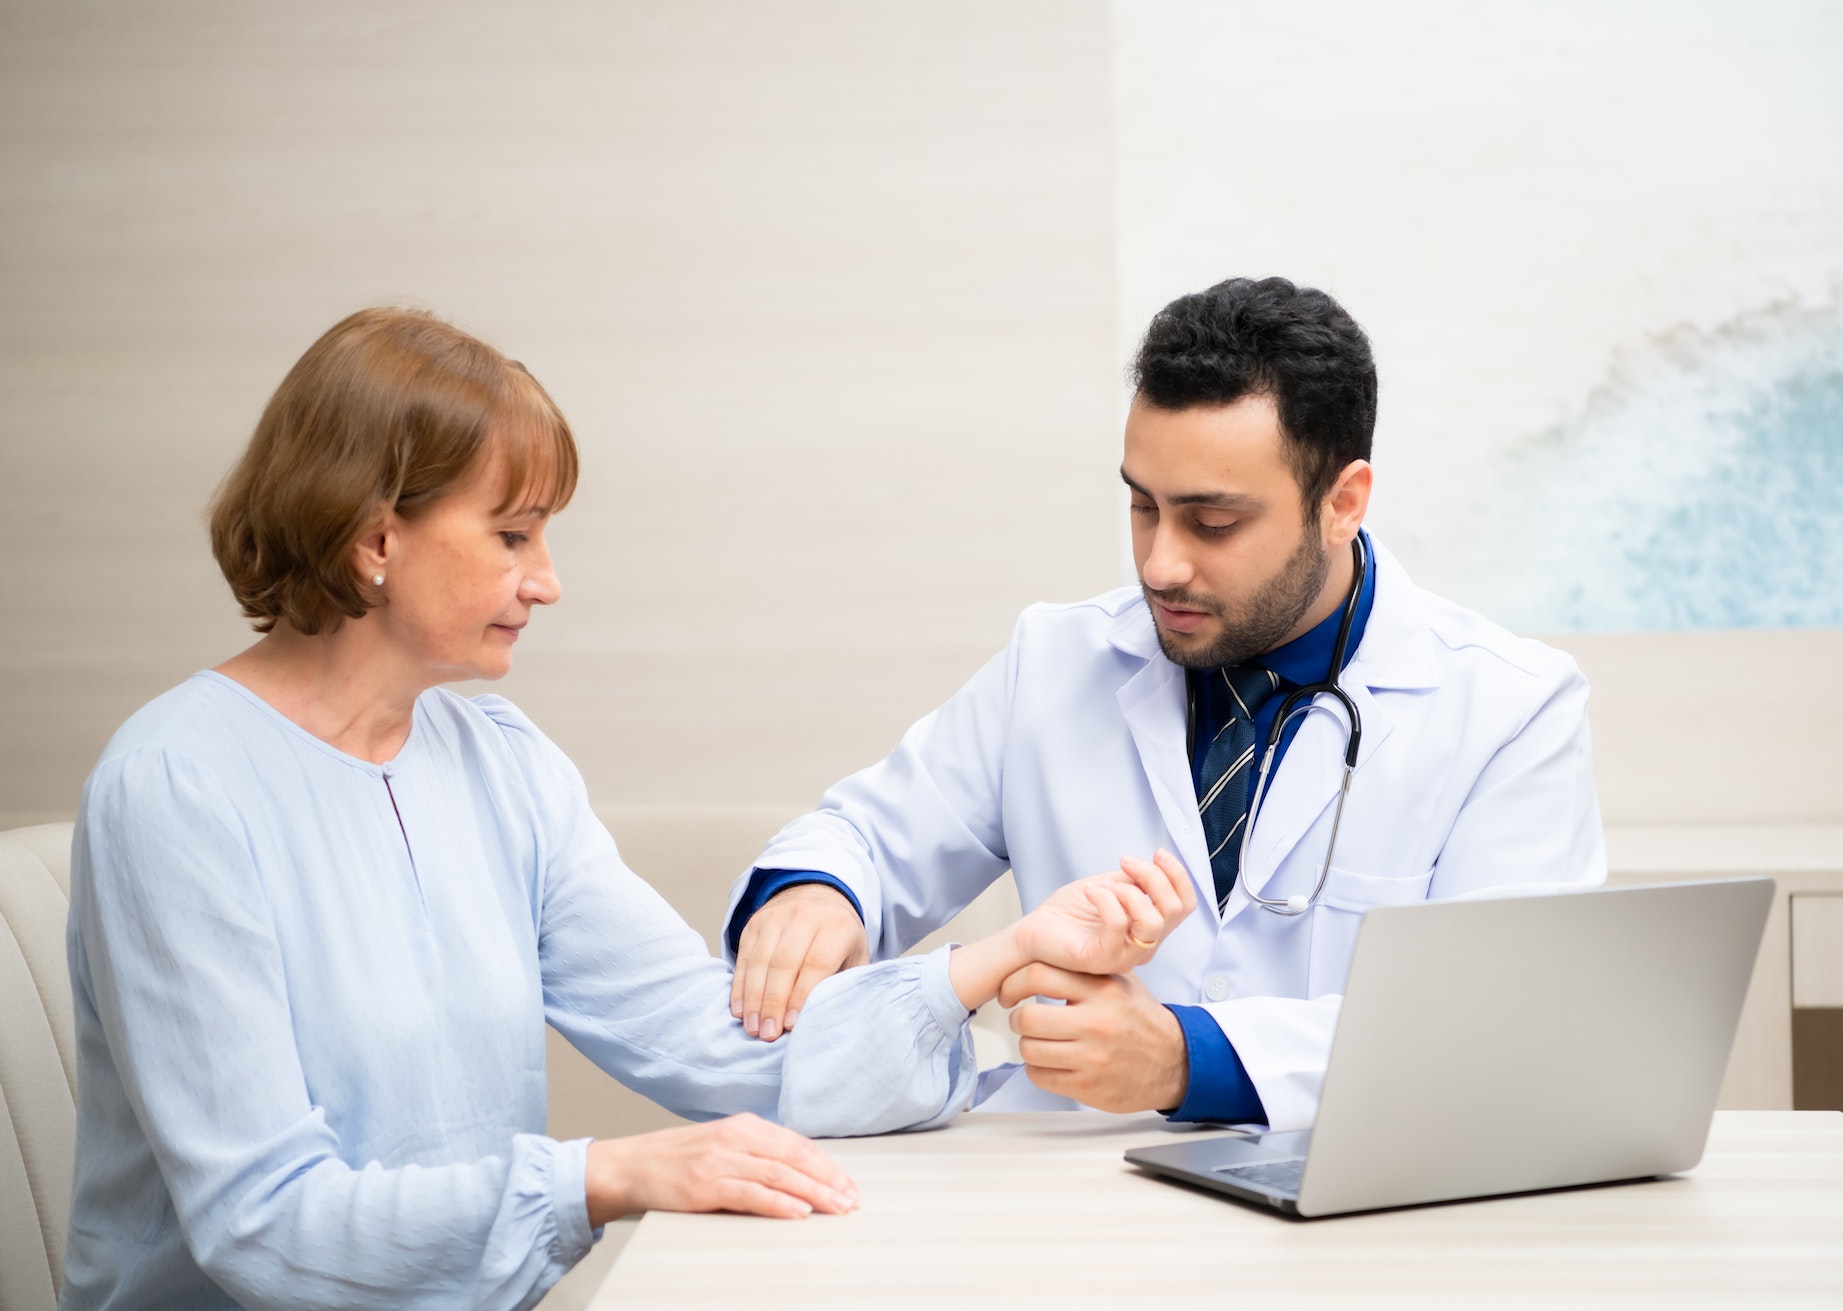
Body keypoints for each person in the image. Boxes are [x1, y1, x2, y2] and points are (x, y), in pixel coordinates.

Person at [61, 308, 1199, 1310]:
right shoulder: (178, 788)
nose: (546, 578)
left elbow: (715, 1043)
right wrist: (607, 1174)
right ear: (374, 540)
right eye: (511, 535)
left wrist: (1003, 956)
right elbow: (265, 1227)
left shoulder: (499, 762)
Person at [723, 277, 1608, 1133]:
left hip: (1355, 1215)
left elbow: (1504, 1027)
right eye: (1143, 507)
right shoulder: (1055, 661)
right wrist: (818, 892)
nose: (1160, 564)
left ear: (1342, 502)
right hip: (1075, 1209)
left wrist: (1189, 1057)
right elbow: (868, 834)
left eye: (1212, 522)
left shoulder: (1508, 708)